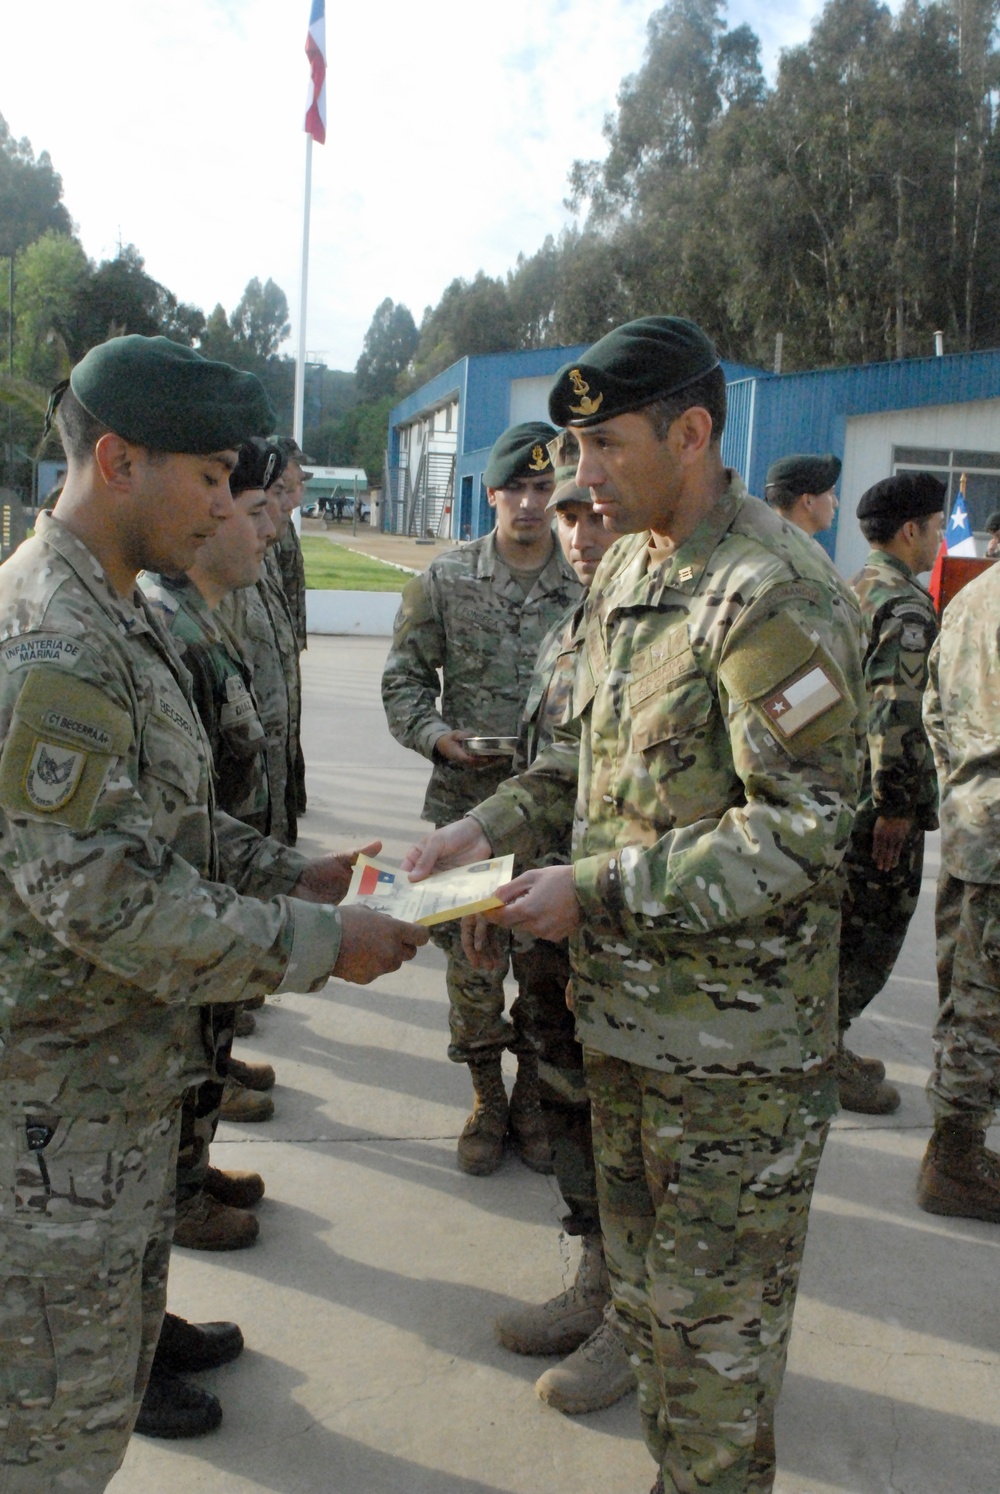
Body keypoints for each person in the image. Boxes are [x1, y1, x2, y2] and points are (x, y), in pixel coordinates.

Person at [405, 316, 867, 1494]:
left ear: (694, 432)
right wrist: (486, 827)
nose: (580, 478)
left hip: (731, 1066)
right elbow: (585, 761)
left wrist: (595, 888)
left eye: (604, 445)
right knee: (656, 1323)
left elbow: (805, 826)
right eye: (572, 450)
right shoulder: (632, 566)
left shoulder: (771, 594)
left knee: (714, 1360)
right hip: (623, 1032)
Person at [0, 335, 427, 1493]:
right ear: (117, 459)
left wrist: (303, 875)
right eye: (210, 477)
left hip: (116, 1094)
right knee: (53, 1436)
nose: (226, 504)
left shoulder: (119, 609)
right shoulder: (54, 640)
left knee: (97, 1389)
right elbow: (103, 895)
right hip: (56, 1117)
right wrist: (323, 947)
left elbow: (169, 822)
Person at [382, 423, 582, 1176]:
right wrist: (437, 736)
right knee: (471, 969)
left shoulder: (586, 581)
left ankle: (530, 1097)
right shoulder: (446, 579)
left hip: (556, 817)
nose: (530, 505)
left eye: (542, 490)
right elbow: (402, 680)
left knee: (543, 968)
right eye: (516, 489)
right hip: (465, 806)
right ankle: (484, 1097)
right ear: (490, 493)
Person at [486, 438, 632, 1414]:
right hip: (551, 927)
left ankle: (636, 1320)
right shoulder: (573, 632)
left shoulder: (662, 630)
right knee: (571, 1108)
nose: (579, 531)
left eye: (593, 511)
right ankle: (594, 1277)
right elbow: (551, 777)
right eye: (567, 515)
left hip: (625, 930)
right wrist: (486, 879)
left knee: (631, 1132)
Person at [835, 473, 944, 1113]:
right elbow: (896, 711)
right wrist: (897, 807)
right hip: (875, 811)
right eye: (934, 528)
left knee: (842, 933)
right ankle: (822, 1059)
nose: (935, 541)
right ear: (911, 531)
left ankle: (826, 1048)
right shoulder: (905, 607)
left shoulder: (855, 589)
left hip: (843, 796)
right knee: (867, 942)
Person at [917, 557, 1000, 1221]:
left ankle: (954, 1144)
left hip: (973, 824)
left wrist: (963, 791)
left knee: (965, 992)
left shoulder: (974, 599)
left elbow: (934, 709)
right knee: (986, 1007)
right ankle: (955, 1158)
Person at [764, 453, 841, 538]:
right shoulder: (792, 550)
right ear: (808, 501)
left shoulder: (757, 543)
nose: (836, 503)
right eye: (831, 493)